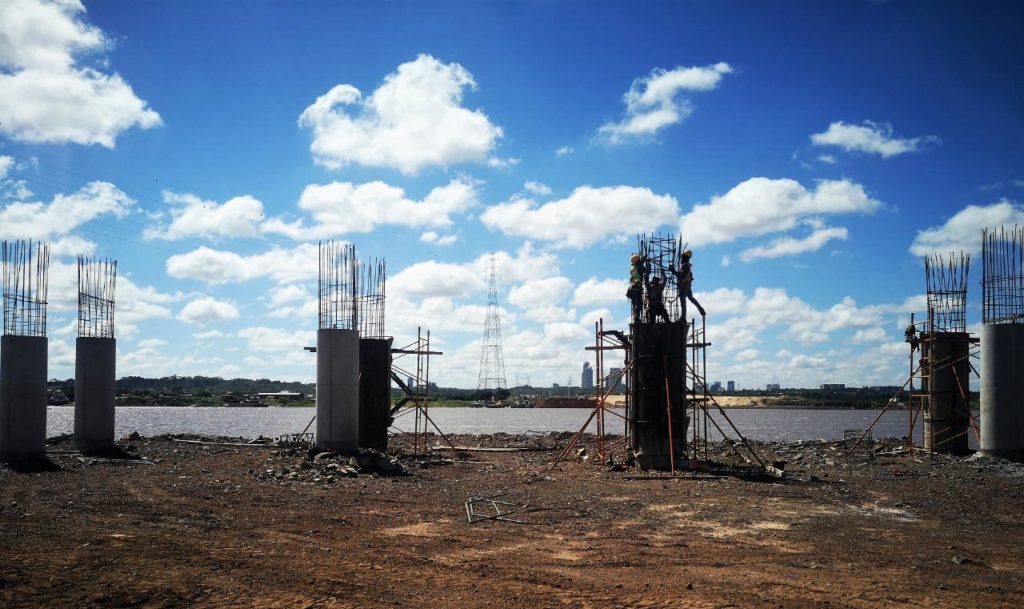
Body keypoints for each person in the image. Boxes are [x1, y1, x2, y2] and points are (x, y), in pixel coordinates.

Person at [669, 249, 706, 319]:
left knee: (683, 303)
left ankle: (683, 318)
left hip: (684, 286)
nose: (681, 258)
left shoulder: (685, 266)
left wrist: (673, 271)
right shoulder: (687, 266)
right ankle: (701, 310)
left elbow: (682, 276)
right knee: (691, 298)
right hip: (687, 286)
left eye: (683, 257)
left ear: (686, 257)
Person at [626, 253, 647, 323]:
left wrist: (642, 261)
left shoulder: (632, 267)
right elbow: (646, 271)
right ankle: (636, 318)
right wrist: (648, 265)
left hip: (632, 289)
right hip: (637, 288)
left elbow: (638, 266)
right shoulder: (639, 266)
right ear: (637, 260)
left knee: (635, 304)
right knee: (639, 305)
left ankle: (636, 318)